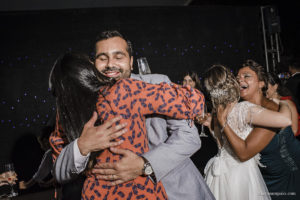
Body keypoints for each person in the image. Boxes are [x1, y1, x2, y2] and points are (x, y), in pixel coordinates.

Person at [50, 30, 215, 200]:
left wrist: (145, 165)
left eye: (118, 56)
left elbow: (189, 138)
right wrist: (82, 146)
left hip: (174, 191)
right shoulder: (77, 106)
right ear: (93, 64)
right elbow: (59, 170)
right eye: (102, 57)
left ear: (131, 62)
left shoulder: (155, 83)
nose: (110, 64)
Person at [202, 64, 291, 200]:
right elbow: (285, 120)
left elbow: (221, 145)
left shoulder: (217, 111)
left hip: (219, 176)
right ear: (230, 82)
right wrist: (284, 103)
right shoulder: (244, 109)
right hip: (240, 174)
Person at [234, 59, 300, 200]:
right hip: (265, 176)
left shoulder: (270, 109)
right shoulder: (243, 110)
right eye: (237, 78)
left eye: (246, 76)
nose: (240, 80)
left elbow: (244, 152)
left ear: (261, 83)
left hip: (286, 177)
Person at [182, 71, 218, 174]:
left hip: (204, 139)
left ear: (195, 83)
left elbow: (213, 121)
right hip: (188, 138)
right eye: (185, 80)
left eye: (190, 81)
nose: (187, 84)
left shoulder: (204, 99)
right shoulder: (180, 100)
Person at [266, 72, 300, 136]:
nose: (263, 89)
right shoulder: (267, 102)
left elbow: (294, 130)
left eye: (266, 86)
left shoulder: (287, 102)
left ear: (275, 86)